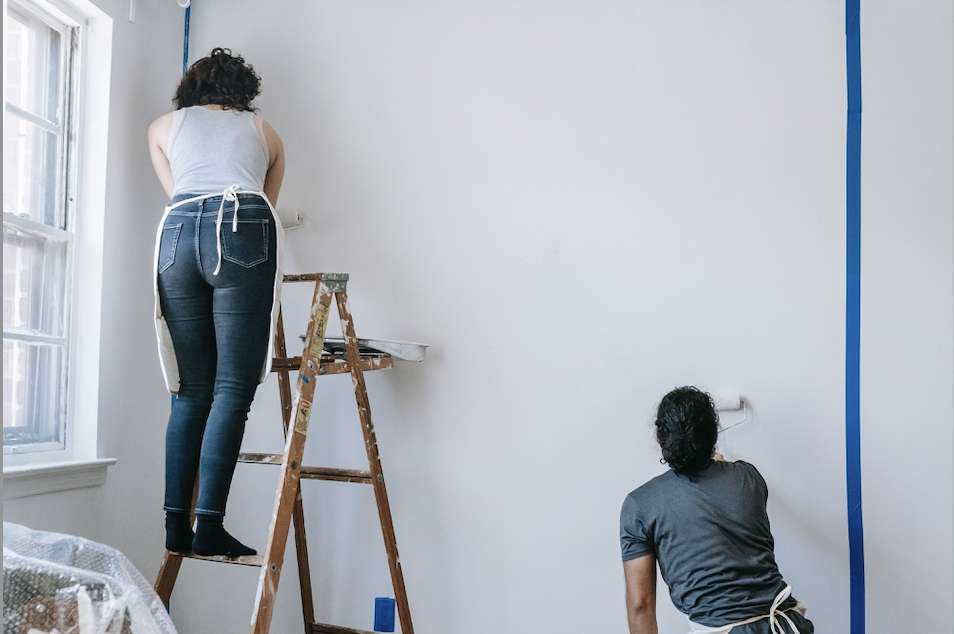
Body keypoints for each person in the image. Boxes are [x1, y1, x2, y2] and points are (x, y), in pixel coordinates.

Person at [147, 48, 286, 557]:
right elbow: (265, 207)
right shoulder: (265, 133)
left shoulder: (162, 127)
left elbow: (178, 193)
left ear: (192, 88)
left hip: (177, 235)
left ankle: (174, 527)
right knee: (232, 388)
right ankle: (209, 525)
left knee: (191, 391)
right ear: (242, 91)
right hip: (242, 228)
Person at [619, 387, 814, 634]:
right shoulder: (749, 478)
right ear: (714, 434)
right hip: (785, 626)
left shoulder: (640, 505)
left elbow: (640, 604)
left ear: (661, 440)